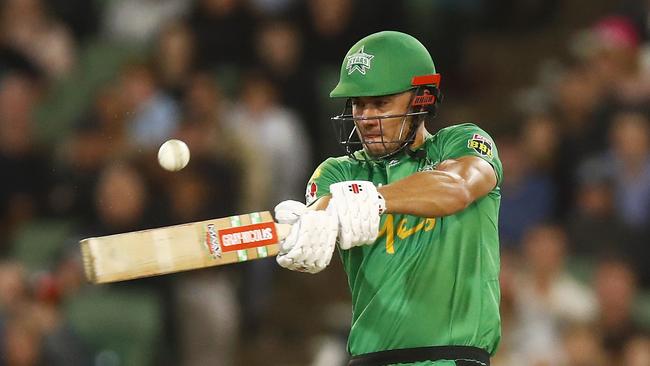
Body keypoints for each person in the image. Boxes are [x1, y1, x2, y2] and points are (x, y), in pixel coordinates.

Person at [274, 31, 502, 365]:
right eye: (357, 104)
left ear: (420, 99)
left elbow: (458, 188)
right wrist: (306, 230)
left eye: (380, 103)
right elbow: (322, 217)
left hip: (451, 358)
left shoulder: (464, 141)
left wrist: (375, 198)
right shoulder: (338, 173)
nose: (365, 118)